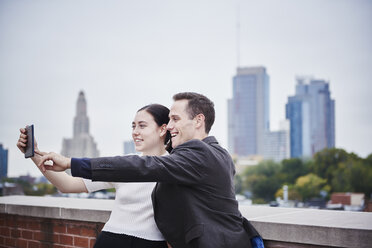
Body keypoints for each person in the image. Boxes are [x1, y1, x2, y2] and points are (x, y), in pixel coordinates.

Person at [38, 92, 264, 248]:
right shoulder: (215, 154)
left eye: (175, 119)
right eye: (133, 126)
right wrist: (36, 155)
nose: (172, 125)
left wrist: (71, 163)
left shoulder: (198, 154)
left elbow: (147, 167)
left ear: (198, 120)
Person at [17, 104, 171, 248]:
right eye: (133, 126)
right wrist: (34, 154)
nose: (135, 131)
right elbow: (67, 185)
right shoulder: (122, 164)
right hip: (110, 240)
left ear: (163, 129)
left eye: (142, 126)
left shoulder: (177, 167)